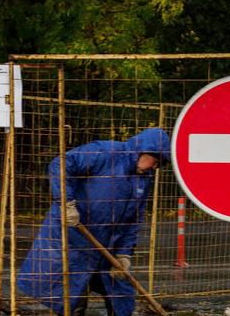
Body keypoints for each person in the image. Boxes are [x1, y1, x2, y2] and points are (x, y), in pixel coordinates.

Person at [16, 128, 170, 316]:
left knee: (121, 297)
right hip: (75, 239)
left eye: (159, 164)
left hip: (107, 248)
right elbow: (61, 163)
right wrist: (66, 202)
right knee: (71, 298)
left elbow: (134, 219)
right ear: (142, 151)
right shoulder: (105, 153)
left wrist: (124, 254)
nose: (154, 168)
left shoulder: (143, 179)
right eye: (155, 161)